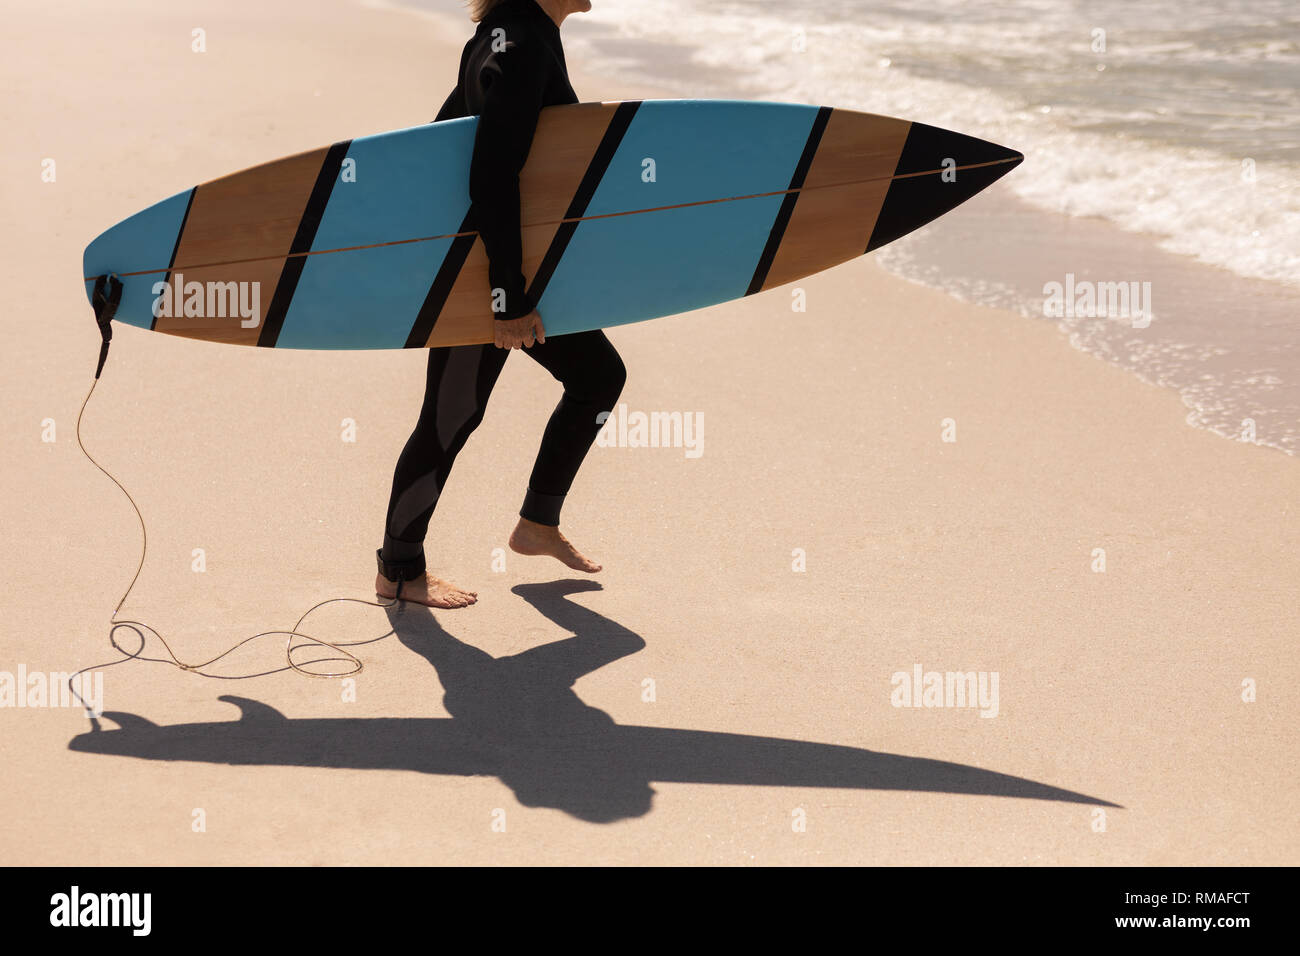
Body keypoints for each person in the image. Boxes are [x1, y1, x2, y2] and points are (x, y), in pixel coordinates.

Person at [375, 0, 624, 609]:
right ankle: (399, 569)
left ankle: (537, 523)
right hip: (485, 273)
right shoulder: (526, 42)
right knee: (450, 416)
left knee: (598, 378)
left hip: (507, 266)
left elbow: (443, 135)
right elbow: (490, 172)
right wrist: (505, 295)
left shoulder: (507, 32)